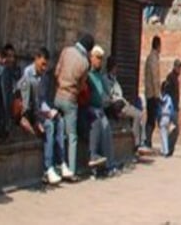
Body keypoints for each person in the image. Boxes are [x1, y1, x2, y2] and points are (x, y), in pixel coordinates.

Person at [17, 48, 64, 184]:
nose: (44, 67)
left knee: (59, 121)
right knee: (49, 126)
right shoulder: (27, 74)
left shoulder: (43, 76)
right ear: (36, 59)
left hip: (39, 110)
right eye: (42, 64)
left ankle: (60, 162)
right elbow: (27, 103)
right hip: (29, 113)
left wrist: (49, 111)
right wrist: (39, 119)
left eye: (46, 64)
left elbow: (41, 99)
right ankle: (47, 168)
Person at [54, 34, 94, 181]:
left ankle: (56, 166)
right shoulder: (84, 62)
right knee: (71, 136)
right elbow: (82, 85)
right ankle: (71, 170)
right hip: (71, 100)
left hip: (58, 95)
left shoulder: (66, 51)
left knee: (57, 132)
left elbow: (56, 72)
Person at [105, 56, 148, 155]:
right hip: (117, 105)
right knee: (138, 115)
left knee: (140, 115)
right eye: (116, 67)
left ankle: (139, 140)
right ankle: (136, 143)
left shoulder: (115, 80)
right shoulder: (106, 80)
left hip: (123, 103)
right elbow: (111, 95)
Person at [86, 46, 113, 172]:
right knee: (98, 125)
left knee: (107, 129)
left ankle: (108, 165)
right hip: (89, 108)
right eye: (97, 58)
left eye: (101, 59)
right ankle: (95, 163)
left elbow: (106, 94)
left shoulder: (100, 76)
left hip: (100, 108)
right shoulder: (87, 75)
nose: (99, 61)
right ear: (91, 57)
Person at [160, 59, 181, 156]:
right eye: (178, 67)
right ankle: (167, 148)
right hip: (170, 107)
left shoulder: (175, 78)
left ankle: (168, 148)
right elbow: (165, 90)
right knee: (174, 129)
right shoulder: (171, 77)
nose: (180, 69)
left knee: (173, 129)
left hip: (174, 107)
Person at [143, 35, 161, 150]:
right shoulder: (153, 58)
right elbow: (155, 78)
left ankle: (147, 140)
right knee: (151, 118)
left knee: (151, 118)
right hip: (152, 94)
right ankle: (147, 140)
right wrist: (157, 94)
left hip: (149, 92)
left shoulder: (152, 57)